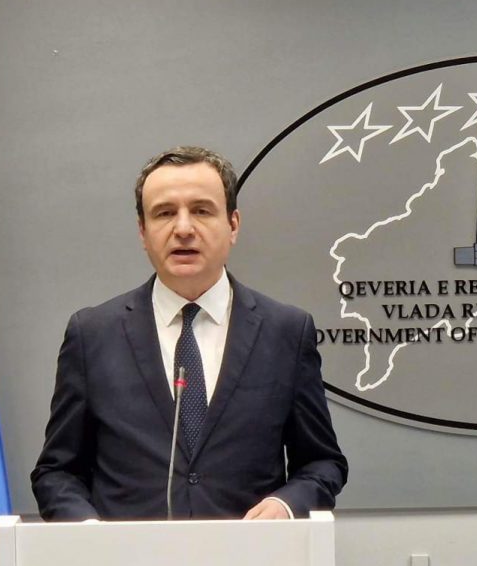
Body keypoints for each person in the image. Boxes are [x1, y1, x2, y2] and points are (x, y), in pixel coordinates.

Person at [32, 146, 347, 521]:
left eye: (201, 210)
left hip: (248, 555)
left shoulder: (286, 332)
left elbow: (322, 463)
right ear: (143, 231)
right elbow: (57, 473)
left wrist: (286, 505)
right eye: (165, 213)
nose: (183, 229)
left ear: (233, 225)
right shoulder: (92, 335)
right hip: (130, 557)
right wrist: (88, 531)